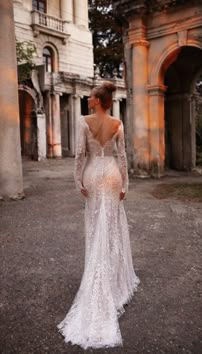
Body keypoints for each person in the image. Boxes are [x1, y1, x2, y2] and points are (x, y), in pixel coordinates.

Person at [57, 82, 139, 349]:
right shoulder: (117, 123)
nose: (89, 99)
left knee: (96, 226)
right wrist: (125, 184)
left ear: (99, 100)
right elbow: (122, 156)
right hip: (113, 174)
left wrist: (77, 180)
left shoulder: (83, 122)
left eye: (92, 96)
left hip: (93, 174)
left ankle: (101, 277)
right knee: (112, 227)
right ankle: (115, 282)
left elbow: (80, 155)